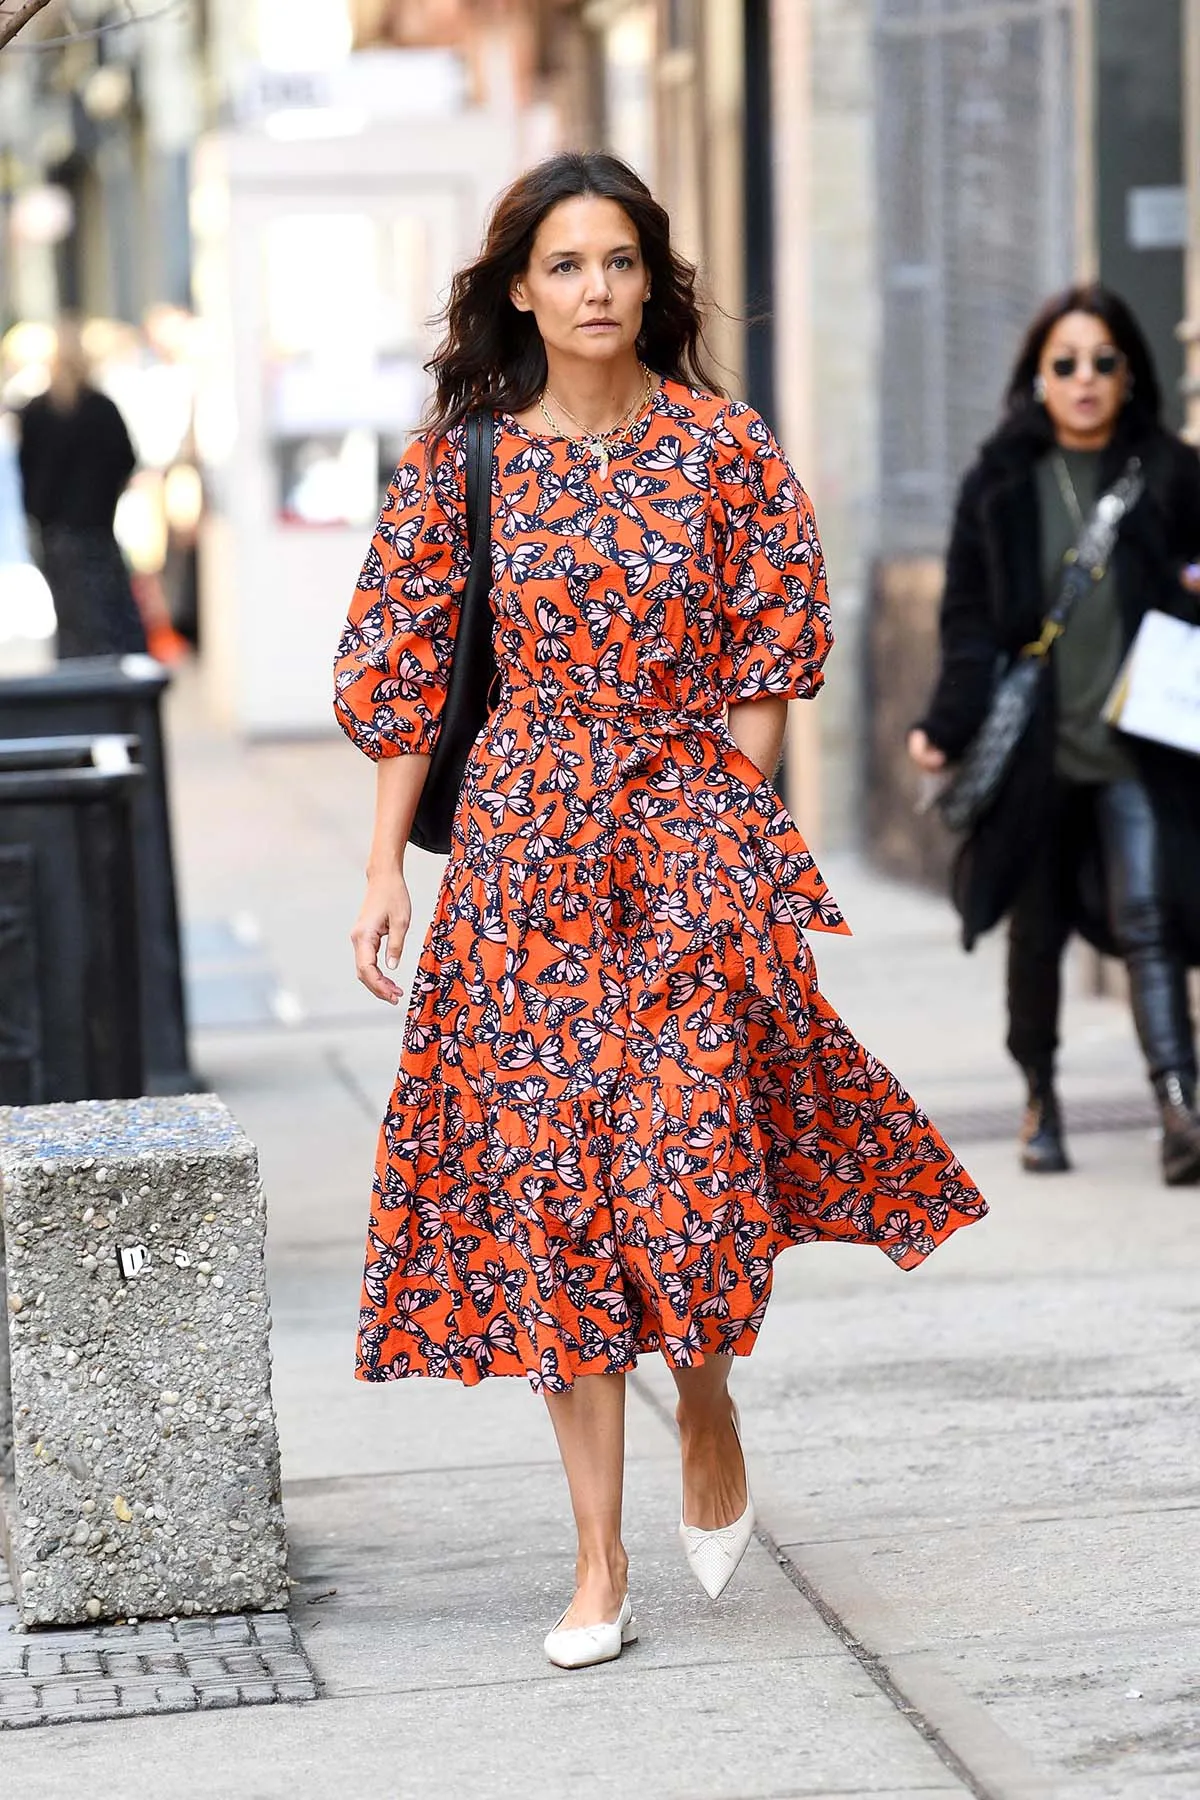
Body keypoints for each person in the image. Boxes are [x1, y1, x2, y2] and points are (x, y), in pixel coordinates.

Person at [335, 152, 986, 1670]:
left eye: (620, 261)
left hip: (684, 850)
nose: (597, 289)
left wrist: (727, 825)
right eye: (565, 265)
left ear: (652, 280)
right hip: (520, 870)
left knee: (689, 1180)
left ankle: (705, 1400)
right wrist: (382, 871)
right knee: (557, 1202)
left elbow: (770, 656)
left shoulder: (722, 448)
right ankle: (596, 1560)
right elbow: (408, 673)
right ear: (519, 290)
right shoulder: (461, 466)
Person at [909, 284, 1200, 1184]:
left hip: (1137, 747)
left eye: (1103, 362)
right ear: (1038, 375)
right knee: (1036, 935)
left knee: (1152, 918)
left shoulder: (1172, 473)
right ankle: (1039, 1095)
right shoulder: (999, 481)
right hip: (1038, 752)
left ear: (1128, 373)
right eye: (1065, 363)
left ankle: (1179, 1106)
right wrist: (945, 725)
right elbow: (968, 622)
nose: (1084, 379)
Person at [16, 317, 148, 659]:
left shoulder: (39, 412)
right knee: (105, 624)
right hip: (92, 530)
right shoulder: (98, 409)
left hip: (58, 533)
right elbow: (125, 461)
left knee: (75, 624)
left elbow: (28, 473)